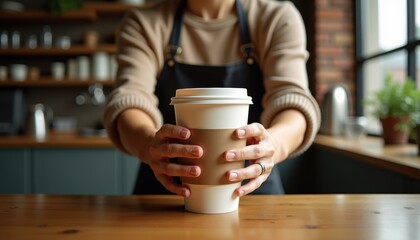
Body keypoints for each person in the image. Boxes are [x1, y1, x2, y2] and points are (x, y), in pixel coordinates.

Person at [104, 0, 321, 197]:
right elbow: (129, 100)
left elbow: (292, 100)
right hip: (163, 193)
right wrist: (149, 145)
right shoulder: (144, 23)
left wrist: (273, 144)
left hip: (254, 190)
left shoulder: (276, 18)